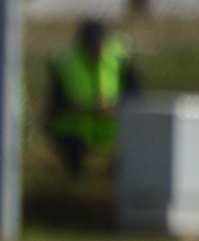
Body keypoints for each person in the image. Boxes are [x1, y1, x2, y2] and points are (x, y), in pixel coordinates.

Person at [45, 17, 133, 177]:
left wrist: (116, 107)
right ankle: (75, 172)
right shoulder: (67, 63)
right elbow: (54, 102)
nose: (94, 50)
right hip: (77, 127)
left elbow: (136, 96)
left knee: (137, 132)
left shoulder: (120, 61)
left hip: (113, 126)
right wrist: (72, 106)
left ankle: (117, 172)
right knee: (67, 137)